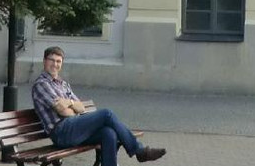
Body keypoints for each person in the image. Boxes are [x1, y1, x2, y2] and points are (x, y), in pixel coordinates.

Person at [31, 46, 166, 165]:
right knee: (106, 114)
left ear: (62, 64)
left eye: (58, 61)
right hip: (61, 132)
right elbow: (61, 110)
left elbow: (81, 107)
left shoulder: (63, 84)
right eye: (51, 60)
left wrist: (69, 104)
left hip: (74, 127)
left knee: (108, 133)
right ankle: (139, 151)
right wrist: (69, 108)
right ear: (44, 61)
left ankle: (135, 153)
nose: (55, 64)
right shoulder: (42, 84)